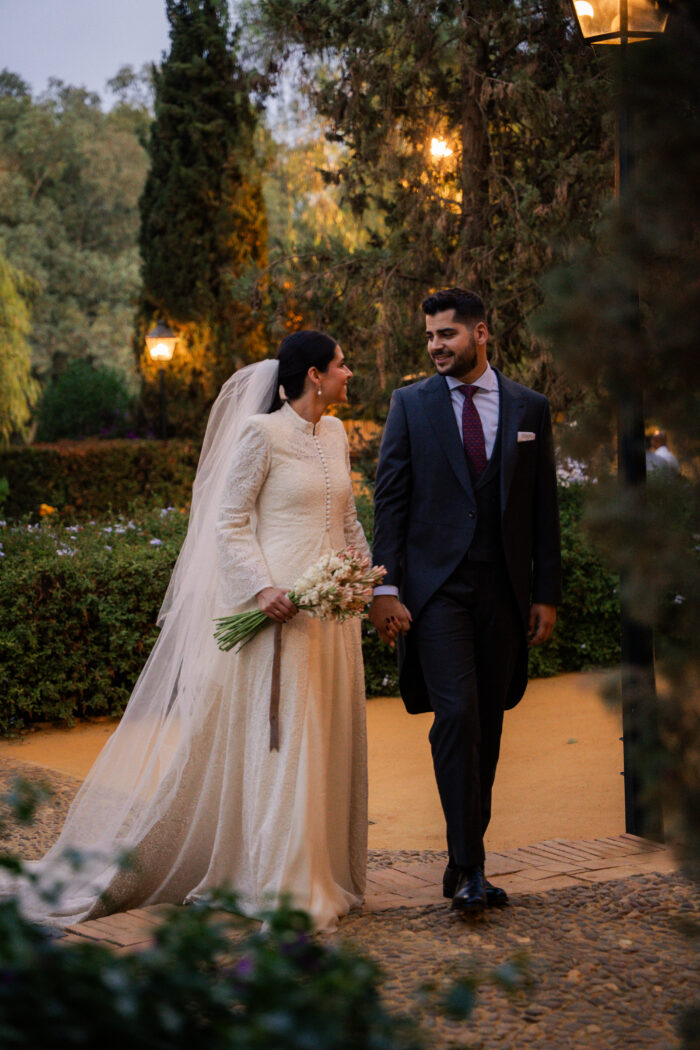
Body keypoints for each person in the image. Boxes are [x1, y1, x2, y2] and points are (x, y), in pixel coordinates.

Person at [4, 332, 369, 933]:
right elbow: (229, 522)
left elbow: (347, 518)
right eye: (341, 364)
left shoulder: (334, 434)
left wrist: (364, 580)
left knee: (324, 733)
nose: (348, 373)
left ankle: (323, 868)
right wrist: (262, 589)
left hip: (330, 614)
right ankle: (282, 884)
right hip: (278, 614)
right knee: (285, 741)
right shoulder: (261, 434)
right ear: (314, 374)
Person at [370, 288, 561, 915]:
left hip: (503, 591)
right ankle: (473, 868)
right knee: (455, 715)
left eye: (446, 334)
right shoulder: (410, 404)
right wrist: (384, 587)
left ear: (481, 333)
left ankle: (463, 855)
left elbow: (543, 509)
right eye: (430, 335)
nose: (435, 346)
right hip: (436, 593)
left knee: (489, 722)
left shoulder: (530, 407)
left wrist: (545, 593)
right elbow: (391, 501)